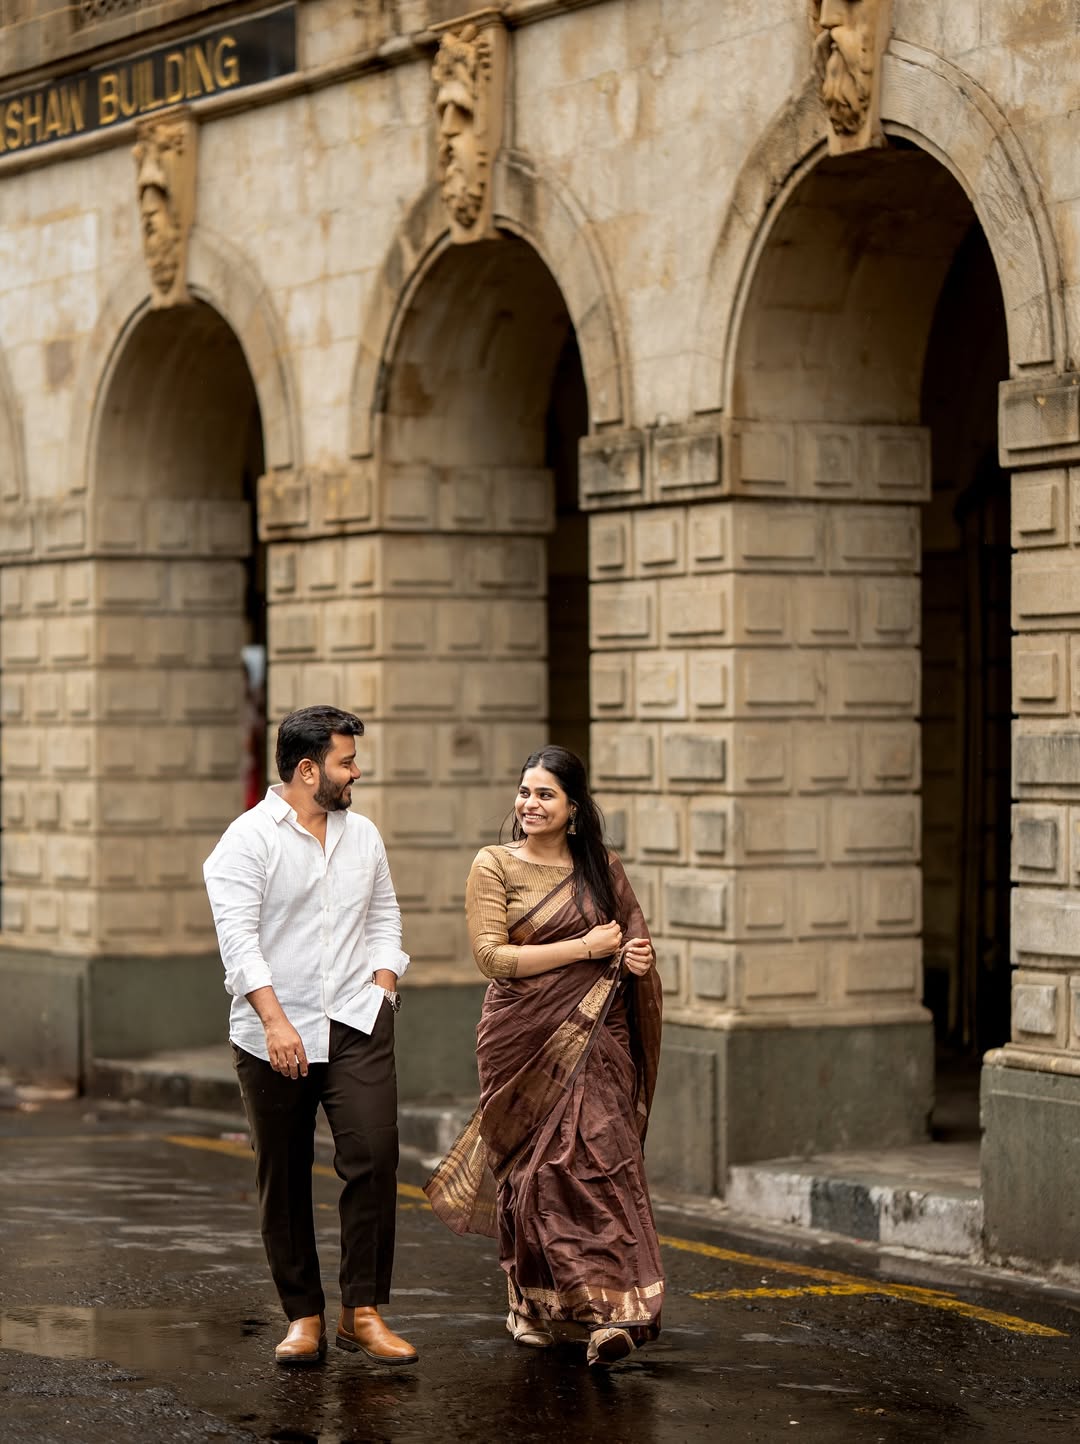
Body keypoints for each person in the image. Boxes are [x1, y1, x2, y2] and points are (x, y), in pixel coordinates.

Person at [425, 745, 664, 1367]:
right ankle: (526, 1299)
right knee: (531, 1176)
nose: (529, 804)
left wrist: (633, 960)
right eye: (525, 792)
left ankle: (607, 1313)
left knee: (600, 1165)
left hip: (596, 1040)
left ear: (574, 809)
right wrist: (586, 946)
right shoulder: (494, 864)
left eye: (544, 795)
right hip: (519, 1038)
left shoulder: (601, 869)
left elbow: (631, 945)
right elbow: (493, 958)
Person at [203, 704, 418, 1369]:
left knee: (374, 1157)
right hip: (274, 1030)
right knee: (285, 1174)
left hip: (356, 1020)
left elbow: (385, 915)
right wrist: (274, 1020)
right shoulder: (245, 842)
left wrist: (383, 984)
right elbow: (239, 943)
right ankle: (304, 1315)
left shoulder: (365, 837)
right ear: (307, 769)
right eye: (346, 761)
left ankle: (363, 1311)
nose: (356, 771)